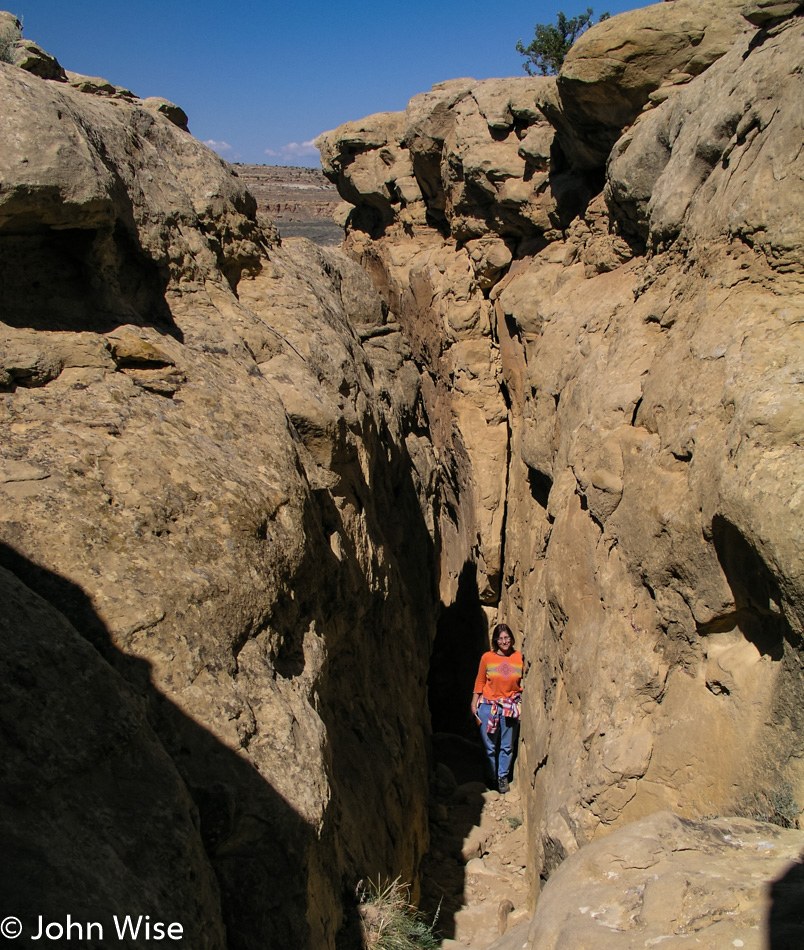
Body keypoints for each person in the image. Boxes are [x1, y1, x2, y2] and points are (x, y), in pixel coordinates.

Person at [470, 623, 523, 793]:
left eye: (507, 637)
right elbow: (480, 680)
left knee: (507, 746)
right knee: (489, 746)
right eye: (500, 638)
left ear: (512, 638)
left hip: (509, 707)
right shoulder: (487, 657)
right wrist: (474, 702)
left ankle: (502, 777)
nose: (504, 641)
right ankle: (491, 777)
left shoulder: (519, 658)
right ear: (495, 641)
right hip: (488, 706)